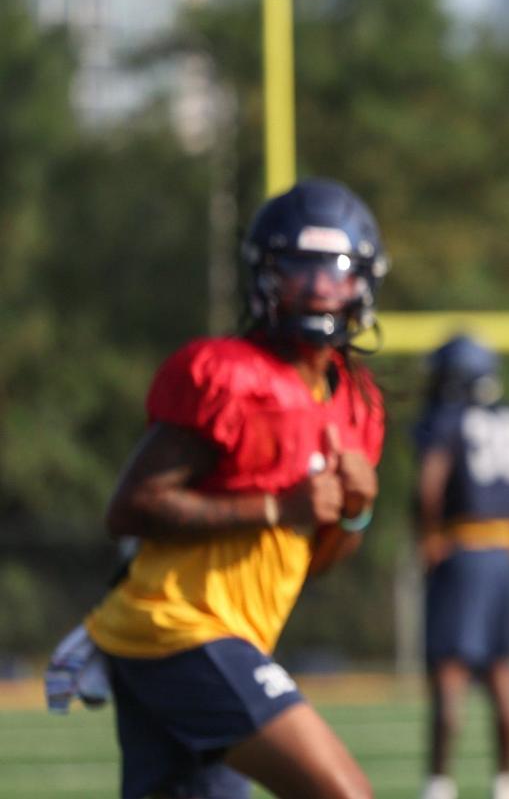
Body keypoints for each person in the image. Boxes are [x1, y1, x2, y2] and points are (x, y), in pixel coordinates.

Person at [85, 178, 388, 799]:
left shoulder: (357, 402)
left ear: (364, 281)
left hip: (218, 636)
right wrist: (279, 505)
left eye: (336, 271)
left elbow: (320, 559)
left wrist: (355, 512)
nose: (321, 287)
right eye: (301, 270)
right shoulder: (226, 375)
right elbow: (130, 508)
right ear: (266, 276)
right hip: (177, 627)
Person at [415, 335, 509, 799]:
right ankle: (507, 782)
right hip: (508, 555)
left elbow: (430, 482)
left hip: (464, 550)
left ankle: (440, 782)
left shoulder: (445, 420)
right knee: (504, 669)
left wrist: (430, 533)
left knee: (450, 670)